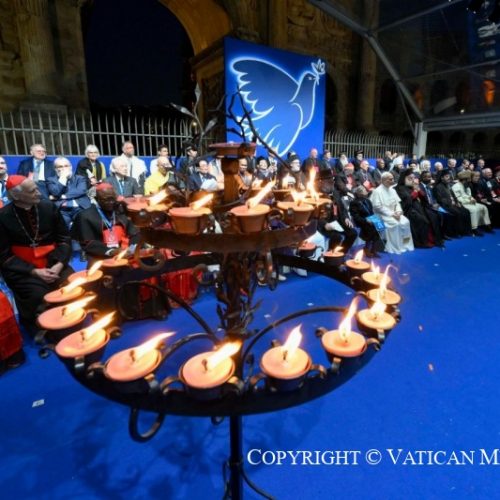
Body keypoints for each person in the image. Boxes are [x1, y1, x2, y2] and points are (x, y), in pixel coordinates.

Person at [0, 175, 73, 335]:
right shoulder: (3, 217)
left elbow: (64, 239)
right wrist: (33, 271)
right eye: (32, 191)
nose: (39, 193)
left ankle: (72, 321)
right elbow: (3, 256)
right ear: (17, 196)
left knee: (72, 284)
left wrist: (59, 264)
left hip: (53, 260)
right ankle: (44, 330)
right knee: (39, 294)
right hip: (22, 269)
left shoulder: (48, 207)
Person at [71, 183, 140, 263]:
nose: (111, 202)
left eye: (113, 199)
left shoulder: (122, 211)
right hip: (100, 256)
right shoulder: (85, 216)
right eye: (106, 200)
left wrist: (131, 248)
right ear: (97, 199)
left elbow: (134, 233)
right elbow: (88, 243)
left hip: (126, 253)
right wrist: (111, 251)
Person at [395, 169, 443, 248]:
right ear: (404, 179)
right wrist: (415, 191)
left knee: (433, 216)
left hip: (419, 207)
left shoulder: (412, 187)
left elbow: (424, 198)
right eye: (410, 178)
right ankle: (423, 242)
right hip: (409, 210)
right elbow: (407, 201)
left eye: (413, 178)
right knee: (422, 221)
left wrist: (419, 190)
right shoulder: (400, 188)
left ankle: (435, 239)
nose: (412, 180)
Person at [370, 172, 414, 254]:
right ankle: (396, 246)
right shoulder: (377, 191)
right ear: (384, 180)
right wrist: (392, 214)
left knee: (406, 222)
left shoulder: (393, 190)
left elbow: (397, 203)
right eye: (390, 179)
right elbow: (377, 207)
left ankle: (405, 244)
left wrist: (398, 212)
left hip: (395, 213)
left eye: (393, 179)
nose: (393, 180)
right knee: (395, 224)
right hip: (381, 215)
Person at [47, 157, 92, 228]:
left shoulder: (80, 178)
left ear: (70, 167)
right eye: (60, 166)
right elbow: (56, 192)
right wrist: (63, 178)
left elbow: (81, 191)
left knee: (83, 227)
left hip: (79, 207)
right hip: (62, 209)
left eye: (66, 166)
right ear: (55, 169)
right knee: (63, 228)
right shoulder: (51, 180)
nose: (64, 169)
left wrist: (62, 196)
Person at [433, 169, 472, 237]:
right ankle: (455, 232)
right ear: (442, 178)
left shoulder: (448, 185)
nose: (449, 178)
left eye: (449, 176)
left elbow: (454, 196)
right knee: (457, 212)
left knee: (466, 211)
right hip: (444, 205)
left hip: (452, 204)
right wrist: (451, 202)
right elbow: (440, 200)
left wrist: (457, 202)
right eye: (447, 176)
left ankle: (465, 231)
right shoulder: (437, 187)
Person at [452, 170, 492, 236]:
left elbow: (469, 195)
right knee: (474, 210)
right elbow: (458, 198)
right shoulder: (456, 186)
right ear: (464, 179)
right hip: (463, 203)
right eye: (468, 179)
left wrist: (472, 199)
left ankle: (486, 224)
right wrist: (469, 201)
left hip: (470, 202)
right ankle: (474, 228)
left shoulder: (467, 185)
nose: (469, 180)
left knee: (483, 207)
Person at [349, 186, 384, 257]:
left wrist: (375, 219)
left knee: (380, 226)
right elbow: (356, 216)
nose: (366, 191)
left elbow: (371, 212)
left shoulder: (367, 200)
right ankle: (366, 248)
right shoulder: (354, 203)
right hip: (362, 220)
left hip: (370, 218)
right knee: (372, 228)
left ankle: (374, 249)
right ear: (359, 193)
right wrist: (366, 220)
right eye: (364, 190)